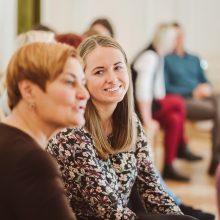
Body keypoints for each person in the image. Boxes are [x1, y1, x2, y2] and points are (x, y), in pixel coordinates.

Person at [47, 35, 200, 220]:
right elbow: (110, 211)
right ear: (83, 80)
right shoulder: (71, 133)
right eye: (99, 72)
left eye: (118, 68)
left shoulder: (131, 121)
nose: (112, 79)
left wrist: (177, 217)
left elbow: (152, 190)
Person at [0, 42, 89, 220]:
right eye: (70, 82)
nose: (84, 94)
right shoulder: (30, 160)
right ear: (28, 90)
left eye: (83, 83)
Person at [131, 23, 202, 182]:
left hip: (150, 105)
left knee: (174, 119)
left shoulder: (159, 56)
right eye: (173, 40)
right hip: (137, 108)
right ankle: (182, 147)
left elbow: (158, 92)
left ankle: (169, 166)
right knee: (177, 101)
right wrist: (147, 120)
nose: (175, 44)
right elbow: (142, 91)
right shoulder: (150, 57)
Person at [164, 22, 220, 175]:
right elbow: (166, 88)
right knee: (217, 110)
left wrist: (205, 88)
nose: (178, 39)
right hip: (184, 100)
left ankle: (216, 158)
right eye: (174, 37)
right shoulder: (166, 60)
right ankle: (217, 158)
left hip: (203, 97)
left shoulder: (194, 59)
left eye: (180, 36)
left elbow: (205, 80)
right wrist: (192, 91)